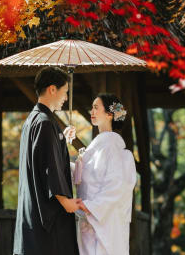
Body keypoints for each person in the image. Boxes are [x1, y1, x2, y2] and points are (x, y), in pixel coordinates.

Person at [13, 67, 81, 255]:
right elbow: (49, 168)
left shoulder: (34, 119)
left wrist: (61, 138)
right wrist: (66, 202)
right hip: (46, 221)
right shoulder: (45, 123)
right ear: (52, 89)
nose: (66, 98)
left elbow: (42, 156)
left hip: (32, 214)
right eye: (64, 92)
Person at [73, 93, 137, 255]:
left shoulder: (113, 148)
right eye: (91, 108)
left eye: (96, 107)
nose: (91, 112)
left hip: (103, 221)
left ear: (109, 115)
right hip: (90, 219)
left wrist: (90, 207)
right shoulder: (99, 146)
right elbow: (83, 178)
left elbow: (117, 187)